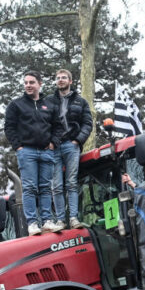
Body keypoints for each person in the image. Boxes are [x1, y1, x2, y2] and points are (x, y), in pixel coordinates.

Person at [4, 70, 64, 236]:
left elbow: (58, 127)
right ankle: (32, 223)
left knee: (45, 188)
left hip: (46, 152)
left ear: (40, 84)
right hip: (27, 152)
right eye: (26, 83)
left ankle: (47, 221)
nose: (28, 85)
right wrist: (19, 147)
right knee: (30, 188)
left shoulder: (50, 105)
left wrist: (53, 143)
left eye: (32, 82)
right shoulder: (16, 105)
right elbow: (9, 127)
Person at [49, 69, 93, 229]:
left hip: (71, 145)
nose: (60, 80)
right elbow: (42, 122)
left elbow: (88, 123)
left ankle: (73, 218)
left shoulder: (80, 102)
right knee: (56, 186)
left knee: (72, 183)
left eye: (64, 78)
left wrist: (78, 140)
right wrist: (48, 141)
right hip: (53, 147)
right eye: (58, 78)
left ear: (70, 81)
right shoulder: (48, 101)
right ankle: (61, 220)